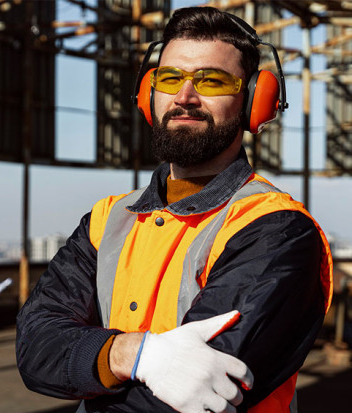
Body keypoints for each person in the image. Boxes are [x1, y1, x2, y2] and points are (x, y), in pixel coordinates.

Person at [16, 7, 333, 413]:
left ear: (255, 100)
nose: (185, 97)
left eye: (212, 80)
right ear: (150, 94)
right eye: (170, 79)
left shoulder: (276, 229)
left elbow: (201, 392)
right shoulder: (108, 218)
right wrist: (130, 354)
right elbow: (35, 347)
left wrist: (91, 361)